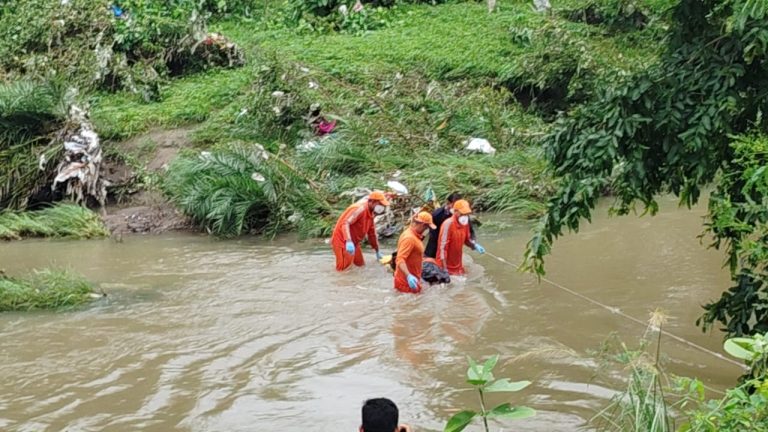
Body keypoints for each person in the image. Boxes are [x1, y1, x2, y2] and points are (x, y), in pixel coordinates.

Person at [332, 191, 390, 271]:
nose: (382, 207)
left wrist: (377, 250)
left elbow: (372, 233)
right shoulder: (360, 209)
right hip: (342, 241)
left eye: (383, 205)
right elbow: (345, 223)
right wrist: (348, 241)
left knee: (360, 265)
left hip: (354, 242)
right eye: (380, 204)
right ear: (371, 201)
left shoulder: (371, 214)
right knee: (344, 270)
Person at [436, 199, 485, 275]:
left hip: (458, 264)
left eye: (467, 214)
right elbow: (442, 248)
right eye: (462, 213)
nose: (465, 216)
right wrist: (444, 270)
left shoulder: (464, 223)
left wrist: (474, 245)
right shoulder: (448, 224)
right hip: (446, 266)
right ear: (455, 211)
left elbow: (467, 239)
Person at [394, 212, 436, 293]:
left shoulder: (413, 233)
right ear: (422, 225)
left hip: (413, 279)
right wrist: (408, 276)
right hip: (406, 283)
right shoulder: (409, 238)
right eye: (426, 227)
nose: (427, 230)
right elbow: (400, 259)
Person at [424, 192, 475, 259]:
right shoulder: (437, 214)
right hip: (436, 245)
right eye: (455, 205)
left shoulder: (463, 215)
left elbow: (470, 231)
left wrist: (473, 243)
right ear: (448, 203)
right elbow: (433, 234)